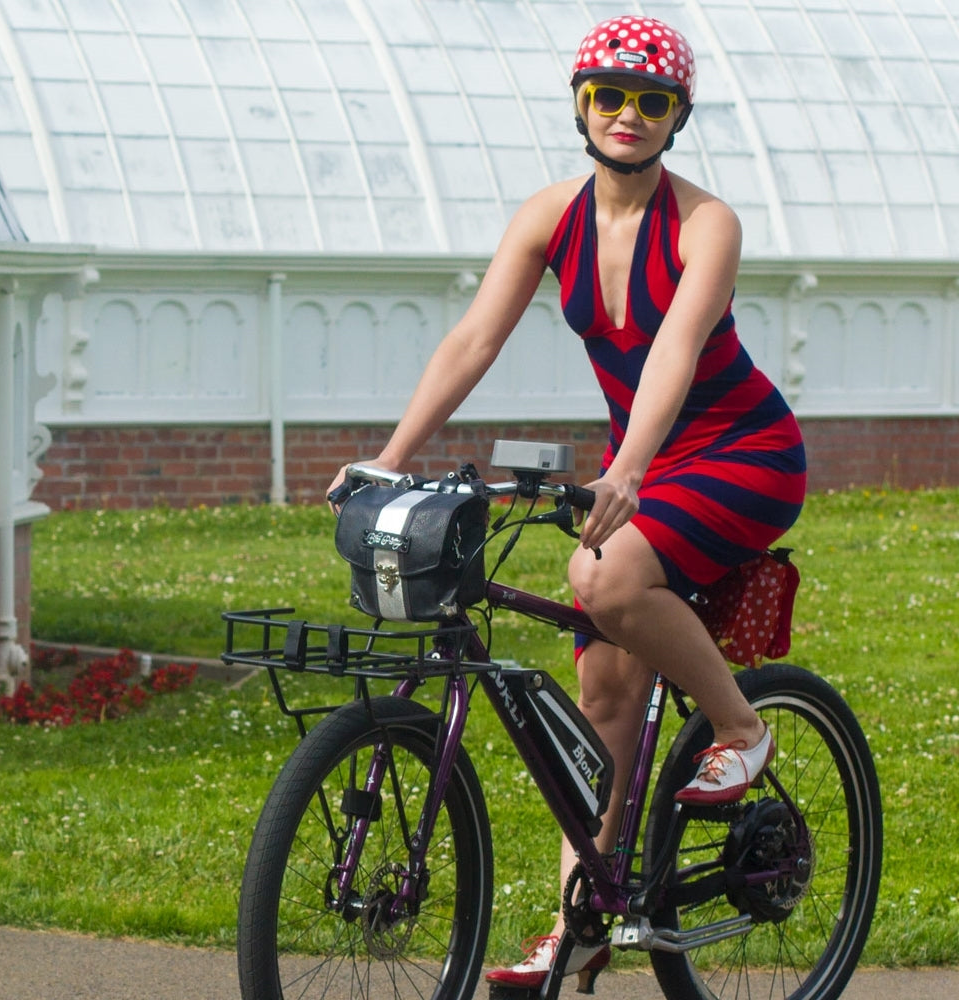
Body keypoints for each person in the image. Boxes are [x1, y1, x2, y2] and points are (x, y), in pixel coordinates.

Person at [327, 13, 807, 993]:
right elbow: (471, 341)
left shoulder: (707, 223)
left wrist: (627, 471)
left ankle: (742, 732)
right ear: (580, 103)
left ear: (677, 117)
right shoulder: (551, 217)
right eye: (608, 95)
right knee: (602, 695)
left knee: (605, 574)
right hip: (643, 458)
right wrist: (386, 459)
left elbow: (673, 351)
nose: (626, 116)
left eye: (651, 100)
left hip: (740, 449)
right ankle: (582, 924)